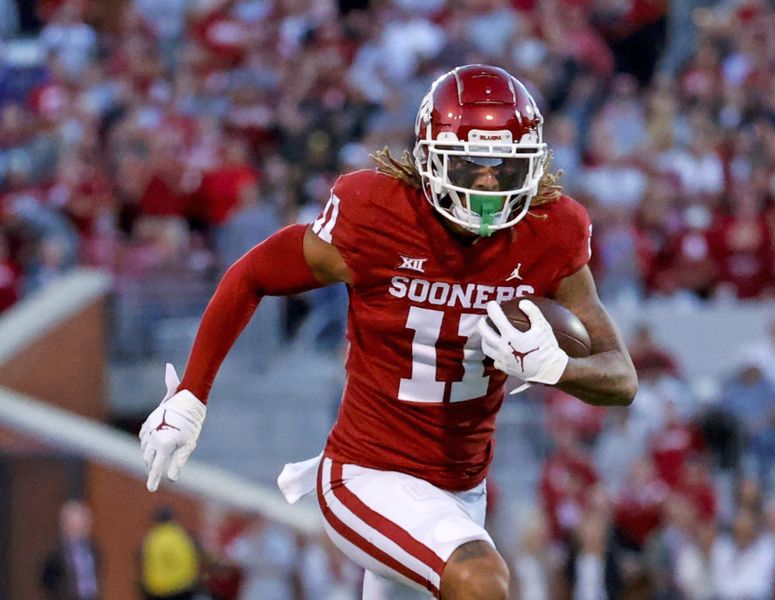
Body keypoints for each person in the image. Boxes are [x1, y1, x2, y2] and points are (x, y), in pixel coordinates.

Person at [139, 64, 638, 600]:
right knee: (481, 579)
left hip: (463, 490)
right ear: (430, 160)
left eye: (507, 168)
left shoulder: (550, 231)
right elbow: (253, 274)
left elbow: (622, 377)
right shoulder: (375, 216)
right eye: (471, 166)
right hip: (364, 475)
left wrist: (558, 368)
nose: (490, 184)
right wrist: (192, 393)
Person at [40, 500, 101, 600]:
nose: (83, 527)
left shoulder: (93, 549)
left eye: (85, 522)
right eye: (77, 523)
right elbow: (46, 579)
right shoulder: (55, 552)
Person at [139, 507, 201, 600]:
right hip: (180, 588)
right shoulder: (181, 536)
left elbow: (145, 561)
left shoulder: (153, 538)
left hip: (156, 590)